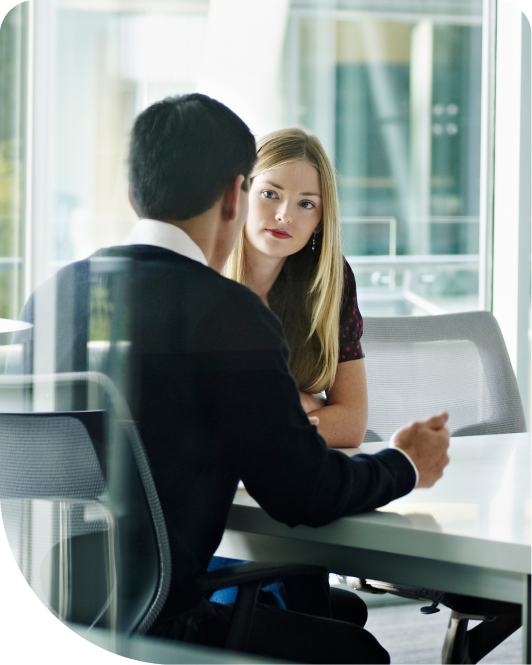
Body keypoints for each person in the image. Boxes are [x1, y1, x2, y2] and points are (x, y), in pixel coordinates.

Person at [17, 93, 450, 665]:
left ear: (133, 194)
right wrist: (406, 463)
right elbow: (305, 493)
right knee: (357, 653)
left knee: (332, 616)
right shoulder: (224, 312)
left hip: (62, 613)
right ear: (234, 197)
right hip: (165, 619)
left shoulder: (51, 297)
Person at [224, 127, 366, 449]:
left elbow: (352, 422)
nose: (284, 215)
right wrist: (294, 406)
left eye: (305, 204)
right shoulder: (203, 270)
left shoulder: (329, 278)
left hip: (290, 475)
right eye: (270, 194)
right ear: (242, 192)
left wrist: (264, 420)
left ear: (320, 219)